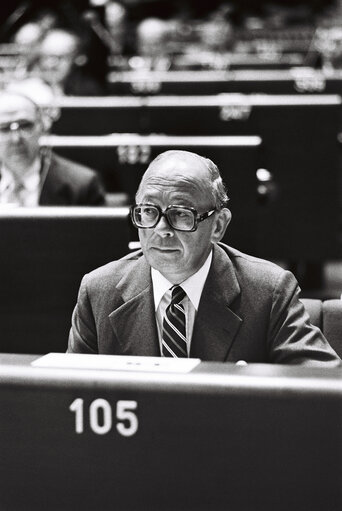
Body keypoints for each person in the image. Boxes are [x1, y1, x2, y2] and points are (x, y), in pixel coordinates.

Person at [68, 150, 340, 366]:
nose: (161, 230)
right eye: (149, 212)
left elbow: (322, 388)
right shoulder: (98, 291)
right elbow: (71, 398)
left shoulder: (269, 291)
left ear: (218, 226)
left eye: (181, 215)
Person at [0, 91, 105, 206]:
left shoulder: (82, 185)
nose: (16, 139)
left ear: (42, 127)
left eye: (25, 126)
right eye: (3, 129)